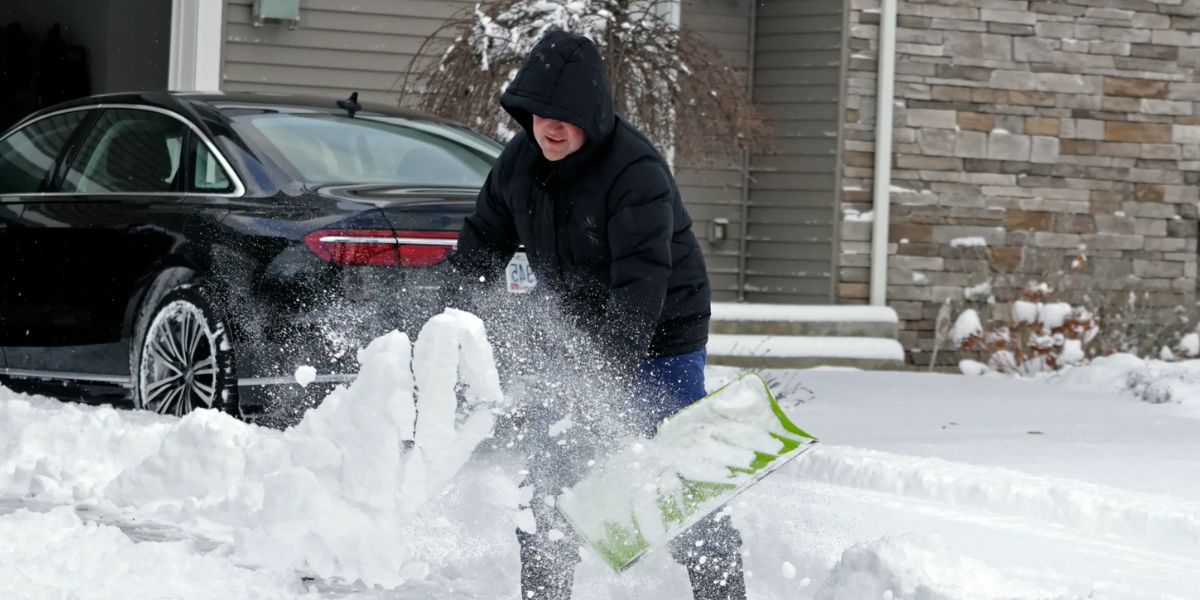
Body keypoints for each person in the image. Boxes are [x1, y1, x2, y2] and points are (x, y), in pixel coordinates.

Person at [444, 30, 745, 600]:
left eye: (567, 116)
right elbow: (481, 243)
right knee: (553, 480)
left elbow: (641, 287)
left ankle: (721, 590)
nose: (551, 127)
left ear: (592, 115)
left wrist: (601, 381)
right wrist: (449, 320)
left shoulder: (635, 172)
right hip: (580, 334)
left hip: (663, 334)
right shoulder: (518, 163)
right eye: (539, 114)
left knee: (677, 477)